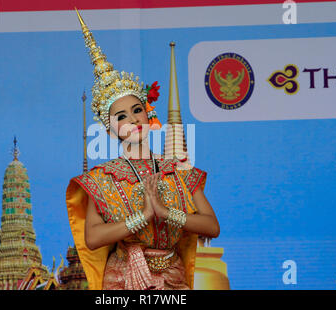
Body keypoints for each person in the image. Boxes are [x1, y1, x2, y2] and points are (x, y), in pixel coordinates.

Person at [66, 9, 220, 290]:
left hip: (172, 275)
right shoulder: (103, 178)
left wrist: (166, 212)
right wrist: (143, 218)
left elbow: (212, 226)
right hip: (124, 277)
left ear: (149, 115)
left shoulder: (179, 169)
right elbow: (93, 237)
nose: (134, 118)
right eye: (122, 116)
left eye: (137, 110)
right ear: (110, 129)